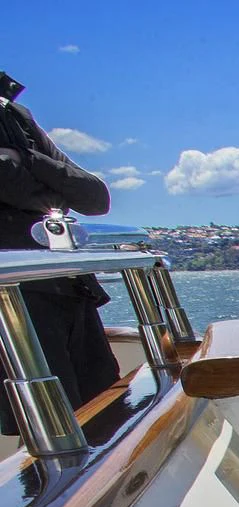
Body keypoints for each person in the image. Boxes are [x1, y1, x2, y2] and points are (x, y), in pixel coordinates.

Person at [0, 73, 118, 436]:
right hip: (14, 299)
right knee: (49, 425)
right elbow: (8, 182)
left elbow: (95, 198)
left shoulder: (15, 116)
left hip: (67, 286)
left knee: (103, 407)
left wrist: (26, 156)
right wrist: (48, 187)